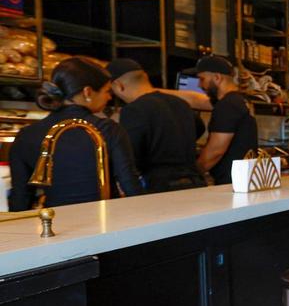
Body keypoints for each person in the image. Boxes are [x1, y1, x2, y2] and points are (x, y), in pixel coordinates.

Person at [9, 57, 144, 210]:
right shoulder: (107, 129)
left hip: (56, 226)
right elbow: (131, 186)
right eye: (106, 91)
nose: (109, 97)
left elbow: (20, 198)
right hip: (104, 222)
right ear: (87, 92)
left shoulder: (26, 135)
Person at [106, 57, 207, 193]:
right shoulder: (180, 103)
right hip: (194, 183)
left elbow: (131, 154)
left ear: (119, 86)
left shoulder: (134, 110)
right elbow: (200, 127)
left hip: (160, 187)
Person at [188, 55, 257, 185]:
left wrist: (194, 174)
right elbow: (194, 99)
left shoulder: (227, 105)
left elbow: (216, 151)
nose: (199, 84)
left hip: (230, 184)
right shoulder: (239, 100)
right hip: (243, 180)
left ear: (217, 78)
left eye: (202, 79)